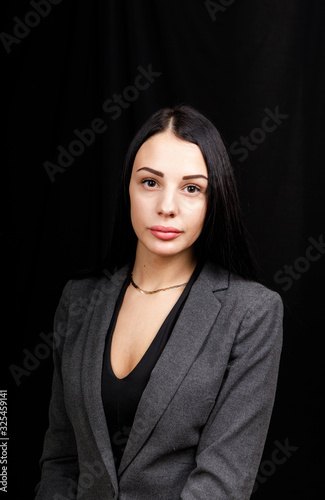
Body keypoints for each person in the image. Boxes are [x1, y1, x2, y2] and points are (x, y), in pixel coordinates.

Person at [34, 104, 283, 500]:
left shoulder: (251, 312)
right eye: (150, 182)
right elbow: (61, 460)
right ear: (128, 189)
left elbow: (223, 482)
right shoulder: (78, 300)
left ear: (212, 200)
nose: (167, 206)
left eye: (191, 188)